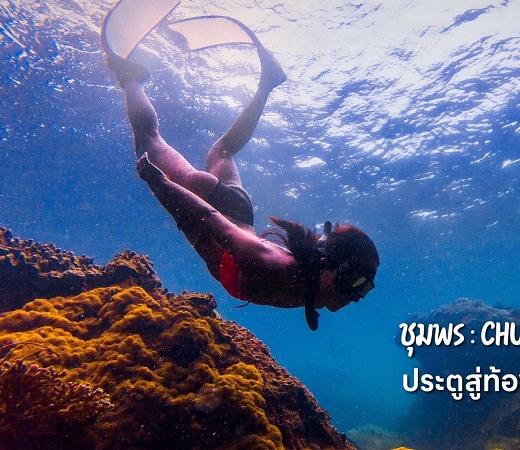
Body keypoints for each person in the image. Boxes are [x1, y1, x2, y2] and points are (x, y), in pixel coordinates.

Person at [103, 29, 379, 331]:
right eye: (354, 282)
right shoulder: (274, 265)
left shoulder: (311, 280)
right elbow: (210, 217)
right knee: (148, 141)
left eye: (364, 289)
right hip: (210, 215)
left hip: (236, 214)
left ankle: (267, 84)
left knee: (222, 150)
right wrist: (160, 184)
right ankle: (128, 76)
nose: (354, 297)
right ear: (331, 264)